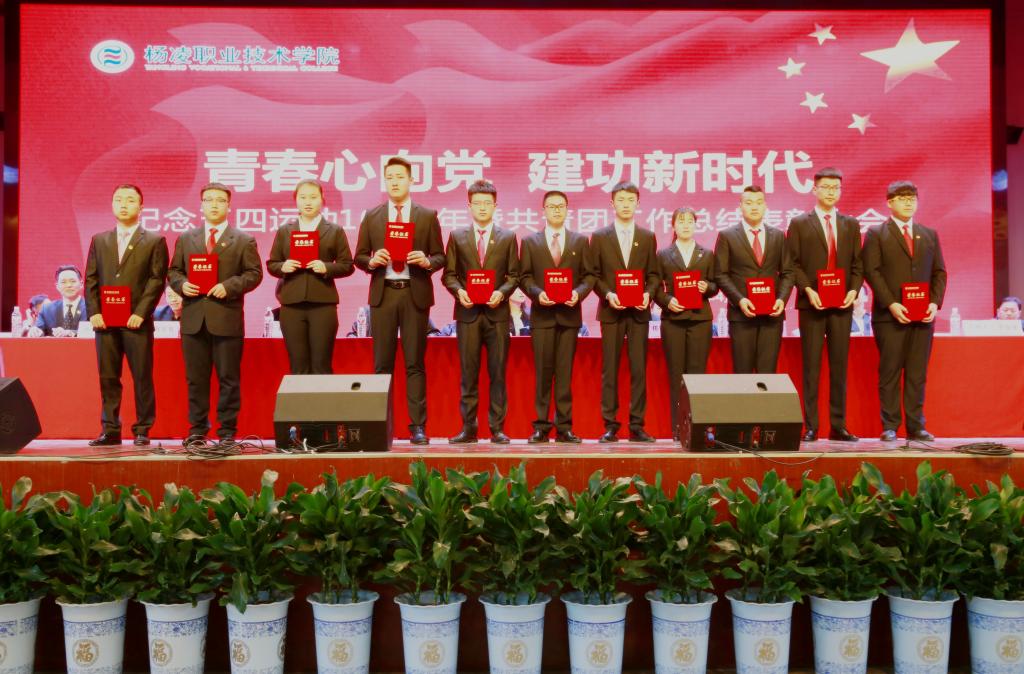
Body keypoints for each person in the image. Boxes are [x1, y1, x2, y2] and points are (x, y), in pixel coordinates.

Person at [354, 156, 445, 445]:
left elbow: (440, 256)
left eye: (400, 177)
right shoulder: (372, 216)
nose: (394, 182)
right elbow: (359, 256)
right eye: (390, 177)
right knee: (382, 364)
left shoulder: (426, 216)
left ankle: (417, 426)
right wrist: (372, 261)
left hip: (413, 293)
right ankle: (380, 426)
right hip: (384, 293)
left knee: (414, 363)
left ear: (411, 180)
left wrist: (426, 261)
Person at [168, 182, 263, 446]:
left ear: (229, 206)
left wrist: (229, 286)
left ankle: (227, 432)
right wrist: (181, 284)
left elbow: (254, 274)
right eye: (209, 199)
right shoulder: (187, 238)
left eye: (220, 200)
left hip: (226, 318)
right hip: (193, 319)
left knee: (228, 379)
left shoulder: (243, 240)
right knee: (195, 380)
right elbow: (174, 271)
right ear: (201, 205)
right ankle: (197, 430)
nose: (214, 204)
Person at [83, 184, 169, 446]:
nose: (123, 204)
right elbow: (91, 278)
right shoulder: (100, 240)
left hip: (136, 322)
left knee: (141, 376)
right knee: (108, 377)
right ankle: (110, 429)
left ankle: (143, 429)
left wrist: (141, 313)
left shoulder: (154, 240)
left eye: (130, 200)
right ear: (112, 205)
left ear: (141, 207)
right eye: (118, 199)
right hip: (105, 322)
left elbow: (157, 280)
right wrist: (94, 312)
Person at [862, 180, 946, 442]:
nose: (909, 203)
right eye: (902, 198)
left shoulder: (929, 234)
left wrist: (934, 303)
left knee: (917, 373)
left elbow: (939, 272)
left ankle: (916, 425)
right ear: (890, 203)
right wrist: (891, 303)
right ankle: (890, 425)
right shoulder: (877, 233)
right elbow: (872, 271)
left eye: (912, 198)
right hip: (890, 316)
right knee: (890, 372)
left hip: (923, 316)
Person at [785, 167, 863, 442]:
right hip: (812, 304)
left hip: (842, 305)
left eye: (835, 188)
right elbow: (792, 264)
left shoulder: (850, 224)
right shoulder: (799, 223)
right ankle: (811, 426)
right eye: (826, 187)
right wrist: (808, 289)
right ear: (814, 189)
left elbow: (858, 264)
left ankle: (838, 426)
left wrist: (853, 291)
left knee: (839, 366)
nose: (831, 192)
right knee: (812, 367)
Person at [441, 180, 520, 443]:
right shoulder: (457, 236)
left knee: (498, 374)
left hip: (497, 315)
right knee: (468, 374)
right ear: (469, 206)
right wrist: (459, 291)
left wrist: (502, 293)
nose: (483, 207)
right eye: (478, 203)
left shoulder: (507, 237)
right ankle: (469, 429)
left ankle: (497, 428)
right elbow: (449, 275)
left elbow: (514, 275)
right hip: (468, 314)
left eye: (488, 203)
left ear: (495, 206)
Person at [519, 189, 594, 443]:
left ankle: (564, 427)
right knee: (543, 373)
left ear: (567, 209)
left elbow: (589, 276)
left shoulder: (579, 241)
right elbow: (524, 277)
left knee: (564, 374)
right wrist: (537, 294)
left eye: (561, 206)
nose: (556, 210)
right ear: (543, 210)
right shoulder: (530, 242)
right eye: (551, 206)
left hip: (569, 316)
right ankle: (541, 426)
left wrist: (578, 294)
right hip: (542, 316)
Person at [587, 181, 659, 443]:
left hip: (638, 312)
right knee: (610, 369)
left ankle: (637, 425)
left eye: (630, 200)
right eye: (621, 200)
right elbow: (593, 275)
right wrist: (608, 294)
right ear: (612, 203)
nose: (626, 205)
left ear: (638, 204)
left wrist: (648, 294)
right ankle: (610, 425)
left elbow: (654, 275)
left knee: (639, 370)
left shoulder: (647, 236)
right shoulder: (600, 236)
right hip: (612, 311)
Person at [266, 179, 354, 374]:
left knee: (321, 365)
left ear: (322, 199)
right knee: (298, 366)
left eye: (313, 197)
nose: (308, 202)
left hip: (323, 304)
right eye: (303, 197)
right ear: (296, 200)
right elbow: (272, 264)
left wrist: (326, 267)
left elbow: (348, 265)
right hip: (291, 305)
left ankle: (323, 396)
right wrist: (283, 266)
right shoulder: (285, 231)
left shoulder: (334, 230)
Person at [714, 185, 794, 373]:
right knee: (743, 373)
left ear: (765, 206)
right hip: (741, 315)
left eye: (759, 202)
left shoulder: (778, 236)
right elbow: (720, 274)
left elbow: (788, 272)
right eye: (749, 203)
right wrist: (739, 300)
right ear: (740, 207)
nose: (754, 207)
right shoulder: (727, 236)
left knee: (768, 374)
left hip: (771, 315)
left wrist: (781, 299)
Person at [654, 207, 717, 442]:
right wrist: (667, 301)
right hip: (673, 320)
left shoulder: (706, 254)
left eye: (690, 221)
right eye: (681, 221)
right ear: (673, 226)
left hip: (700, 319)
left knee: (697, 376)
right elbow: (655, 287)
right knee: (676, 376)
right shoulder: (663, 254)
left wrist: (706, 287)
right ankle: (678, 429)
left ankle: (697, 427)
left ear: (696, 225)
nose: (686, 225)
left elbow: (715, 285)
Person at [30, 265, 87, 336]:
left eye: (72, 281)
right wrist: (36, 331)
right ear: (57, 286)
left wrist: (70, 333)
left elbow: (93, 332)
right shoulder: (47, 309)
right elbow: (40, 329)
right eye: (63, 282)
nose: (69, 285)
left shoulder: (91, 308)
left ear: (81, 284)